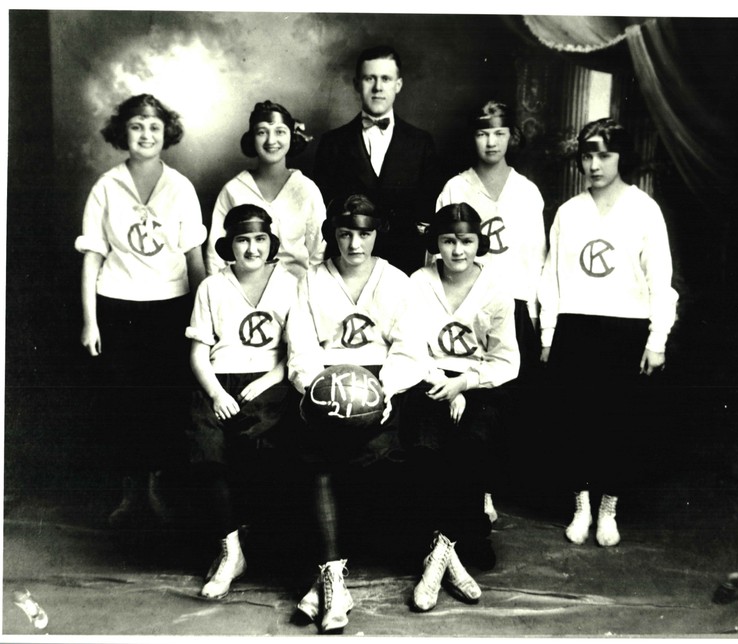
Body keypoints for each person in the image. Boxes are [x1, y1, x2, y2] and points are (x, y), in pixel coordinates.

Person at [285, 194, 427, 633]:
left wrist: (381, 393)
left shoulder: (397, 280)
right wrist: (316, 390)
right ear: (334, 235)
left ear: (376, 234)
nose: (354, 244)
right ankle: (332, 578)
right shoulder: (312, 279)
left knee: (372, 460)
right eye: (345, 234)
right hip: (325, 386)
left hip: (380, 387)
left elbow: (409, 351)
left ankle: (324, 583)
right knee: (319, 463)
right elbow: (301, 347)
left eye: (364, 234)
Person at [538, 117, 679, 547]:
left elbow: (661, 279)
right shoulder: (568, 212)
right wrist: (548, 334)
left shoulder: (644, 209)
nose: (594, 164)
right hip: (576, 327)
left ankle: (608, 510)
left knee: (619, 424)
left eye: (605, 154)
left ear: (622, 157)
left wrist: (657, 340)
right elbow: (551, 277)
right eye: (587, 155)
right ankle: (580, 505)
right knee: (573, 421)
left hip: (626, 330)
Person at [76, 93, 206, 527]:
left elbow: (194, 256)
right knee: (123, 403)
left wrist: (203, 314)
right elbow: (93, 256)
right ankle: (130, 493)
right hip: (118, 307)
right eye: (136, 126)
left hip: (170, 308)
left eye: (153, 127)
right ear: (122, 133)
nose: (146, 134)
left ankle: (156, 488)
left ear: (166, 132)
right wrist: (91, 320)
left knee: (165, 402)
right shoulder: (106, 187)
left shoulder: (181, 187)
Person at [402, 202, 520, 612]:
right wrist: (442, 385)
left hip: (481, 382)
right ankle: (449, 553)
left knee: (474, 440)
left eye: (466, 241)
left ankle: (449, 546)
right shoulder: (418, 281)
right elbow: (410, 345)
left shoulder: (496, 289)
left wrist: (465, 386)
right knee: (424, 443)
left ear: (478, 244)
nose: (457, 251)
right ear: (436, 243)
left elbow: (506, 361)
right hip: (429, 378)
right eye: (448, 241)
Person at [434, 99, 546, 522]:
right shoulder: (455, 188)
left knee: (503, 401)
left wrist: (535, 315)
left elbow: (537, 258)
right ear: (472, 137)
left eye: (499, 133)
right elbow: (437, 257)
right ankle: (475, 488)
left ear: (511, 137)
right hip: (465, 306)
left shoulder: (527, 191)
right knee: (466, 398)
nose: (491, 141)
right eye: (483, 133)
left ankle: (492, 487)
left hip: (513, 305)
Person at [186, 204, 299, 600]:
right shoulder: (212, 287)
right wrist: (216, 392)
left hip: (271, 379)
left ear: (271, 243)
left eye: (260, 240)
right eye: (243, 240)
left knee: (263, 442)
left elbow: (297, 352)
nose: (252, 249)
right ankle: (230, 551)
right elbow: (199, 353)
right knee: (207, 446)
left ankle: (266, 541)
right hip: (219, 379)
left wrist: (269, 379)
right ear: (228, 245)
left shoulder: (289, 283)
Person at [313, 45, 442, 275]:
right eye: (369, 78)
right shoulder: (332, 144)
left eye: (386, 78)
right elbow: (322, 215)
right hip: (347, 267)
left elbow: (426, 215)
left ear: (398, 84)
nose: (378, 87)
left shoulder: (421, 143)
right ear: (356, 84)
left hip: (404, 267)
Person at [205, 100, 326, 279]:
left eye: (280, 132)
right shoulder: (234, 190)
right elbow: (215, 256)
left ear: (291, 137)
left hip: (296, 293)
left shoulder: (306, 190)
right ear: (252, 138)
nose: (271, 140)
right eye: (262, 132)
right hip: (242, 292)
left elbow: (319, 252)